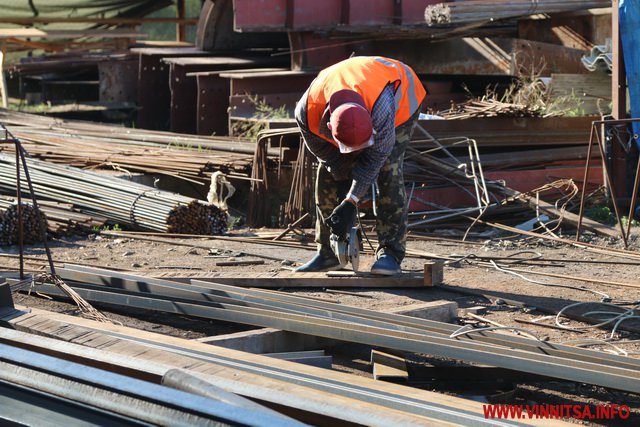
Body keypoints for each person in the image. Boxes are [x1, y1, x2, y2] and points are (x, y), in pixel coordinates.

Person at [294, 56, 426, 275]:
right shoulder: (306, 113)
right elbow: (331, 161)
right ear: (329, 126)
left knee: (388, 169)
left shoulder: (381, 111)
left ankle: (390, 253)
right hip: (347, 96)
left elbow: (374, 161)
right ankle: (328, 252)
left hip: (402, 95)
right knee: (326, 174)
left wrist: (351, 200)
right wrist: (346, 195)